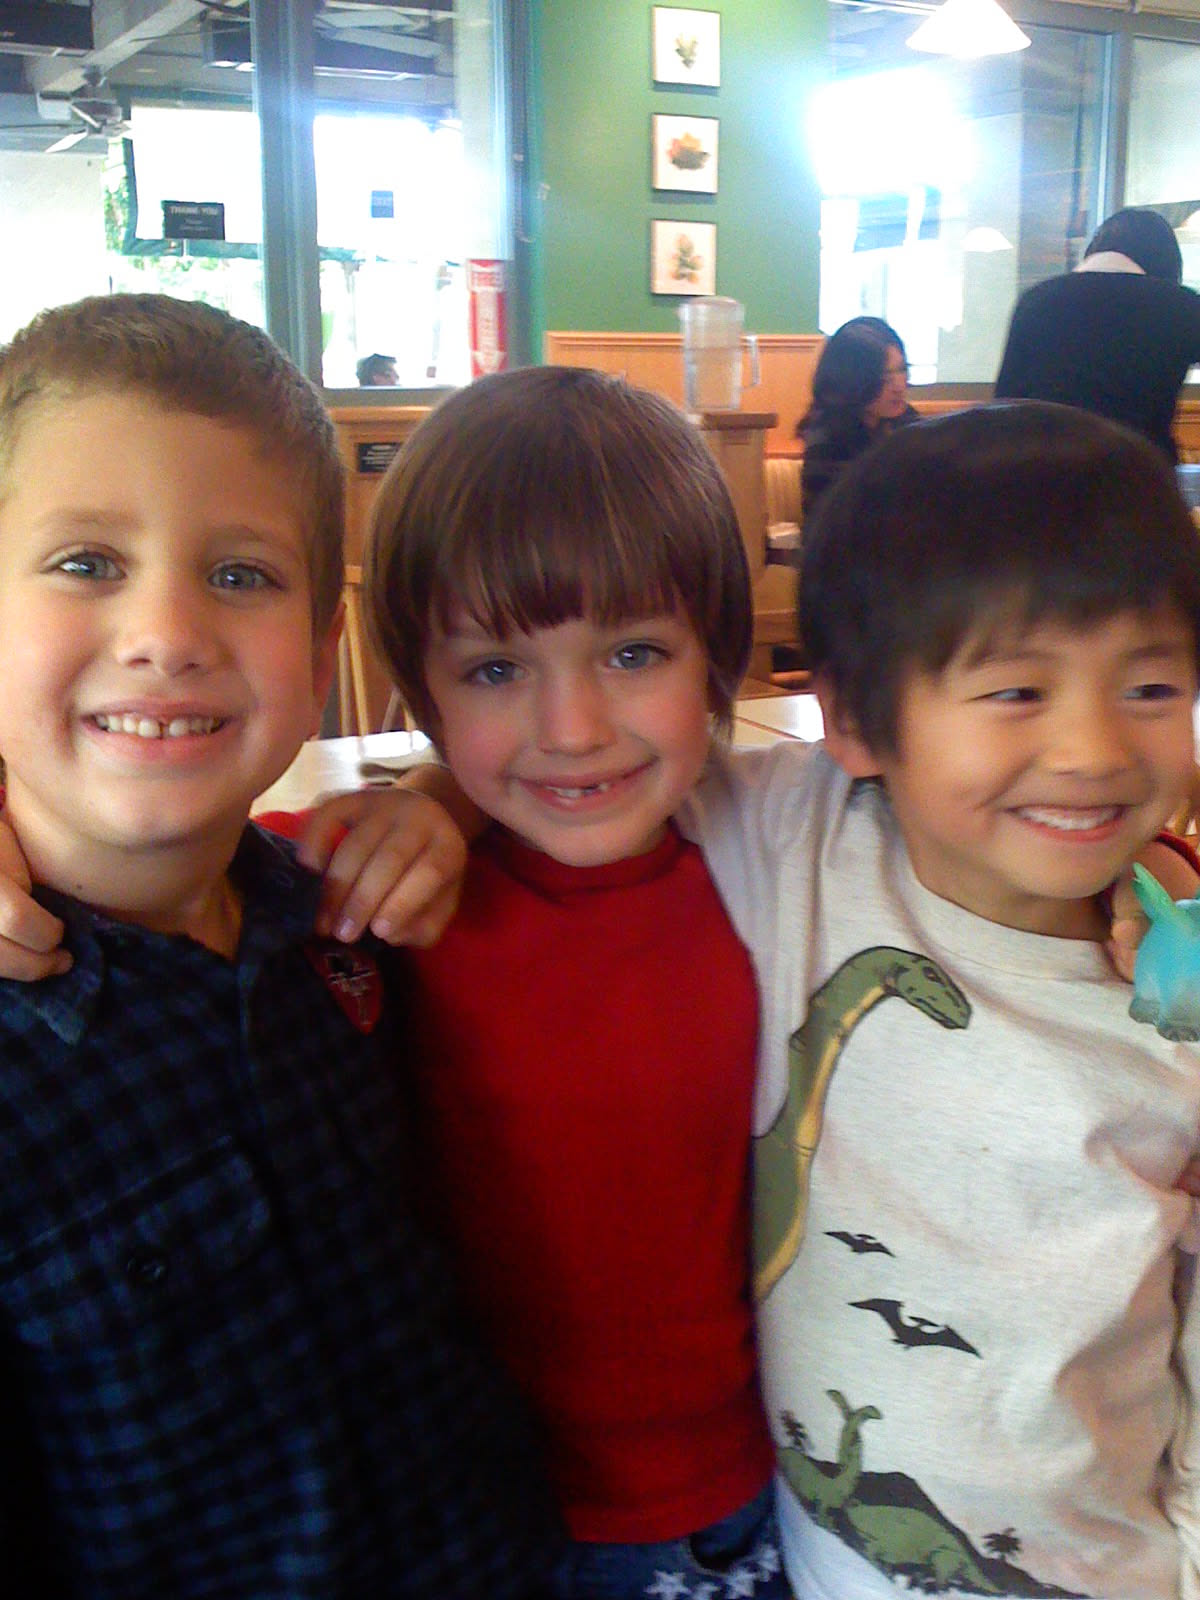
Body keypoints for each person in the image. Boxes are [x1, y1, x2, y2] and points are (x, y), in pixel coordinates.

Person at [0, 293, 559, 1599]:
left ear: (319, 659)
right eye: (86, 561)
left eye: (239, 574)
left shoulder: (347, 911)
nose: (168, 634)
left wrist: (439, 804)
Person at [261, 365, 788, 1600]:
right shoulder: (376, 879)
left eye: (635, 652)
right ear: (422, 690)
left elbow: (988, 834)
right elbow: (137, 877)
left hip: (753, 1496)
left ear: (719, 655)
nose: (573, 728)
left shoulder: (778, 843)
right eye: (496, 670)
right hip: (469, 1509)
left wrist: (1155, 874)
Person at [681, 401, 1200, 1597]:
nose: (1094, 750)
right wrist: (428, 807)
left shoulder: (1175, 998)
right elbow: (588, 766)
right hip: (827, 1558)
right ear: (856, 722)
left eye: (1152, 684)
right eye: (1016, 691)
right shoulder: (802, 834)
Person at [995, 206, 1200, 462]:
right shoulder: (1181, 306)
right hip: (1140, 469)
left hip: (1043, 468)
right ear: (1166, 260)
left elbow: (1005, 400)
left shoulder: (1036, 299)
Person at [796, 315, 918, 522]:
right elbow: (835, 523)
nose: (899, 386)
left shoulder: (908, 423)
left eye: (902, 370)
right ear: (854, 381)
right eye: (885, 377)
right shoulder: (827, 440)